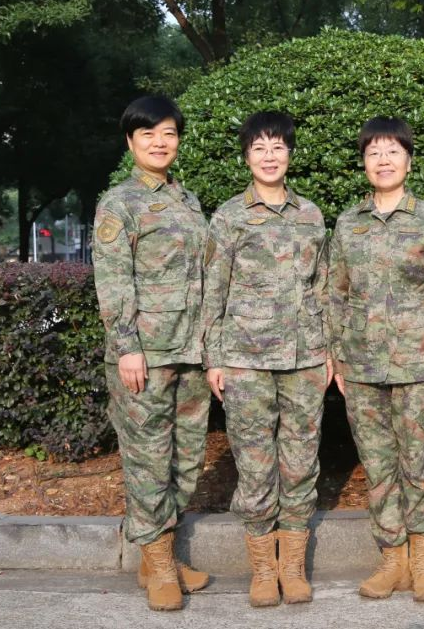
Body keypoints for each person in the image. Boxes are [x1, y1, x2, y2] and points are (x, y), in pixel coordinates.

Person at [328, 116, 424, 603]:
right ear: (363, 163)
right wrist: (337, 356)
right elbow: (335, 294)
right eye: (374, 153)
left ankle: (423, 562)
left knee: (418, 463)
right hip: (362, 367)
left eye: (392, 152)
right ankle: (392, 560)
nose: (383, 161)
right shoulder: (348, 223)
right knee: (378, 466)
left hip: (420, 365)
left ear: (409, 160)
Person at [200, 111, 332, 608]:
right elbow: (214, 289)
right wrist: (213, 357)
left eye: (278, 147)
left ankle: (291, 567)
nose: (269, 156)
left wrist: (329, 350)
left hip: (304, 359)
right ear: (246, 157)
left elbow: (323, 287)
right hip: (246, 360)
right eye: (259, 148)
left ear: (290, 154)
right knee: (255, 465)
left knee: (300, 462)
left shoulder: (311, 215)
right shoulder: (229, 216)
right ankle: (262, 569)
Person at [92, 95, 211, 611]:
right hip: (145, 353)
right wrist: (126, 348)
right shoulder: (118, 203)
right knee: (148, 461)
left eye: (169, 133)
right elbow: (114, 279)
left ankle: (156, 554)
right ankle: (160, 566)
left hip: (191, 349)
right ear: (130, 141)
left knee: (187, 459)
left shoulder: (188, 200)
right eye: (148, 134)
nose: (160, 143)